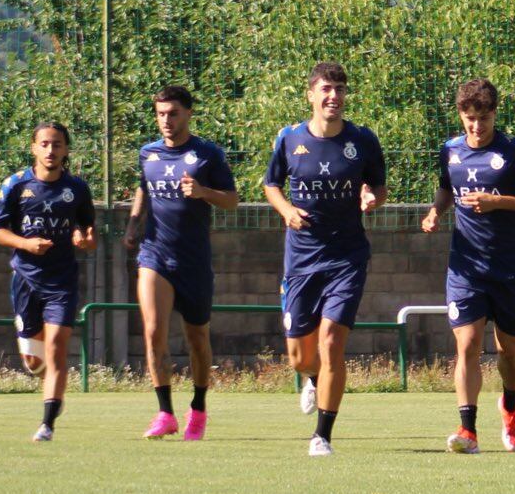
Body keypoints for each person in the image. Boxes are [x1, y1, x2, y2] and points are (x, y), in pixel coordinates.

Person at [422, 77, 515, 454]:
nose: (476, 126)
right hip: (465, 266)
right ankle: (468, 431)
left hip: (508, 266)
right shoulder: (449, 150)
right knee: (466, 345)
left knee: (509, 351)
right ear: (461, 115)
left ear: (495, 114)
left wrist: (500, 202)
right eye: (469, 117)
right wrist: (435, 211)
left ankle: (510, 407)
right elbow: (447, 188)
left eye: (483, 117)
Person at [262, 61, 388, 456]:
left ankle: (322, 435)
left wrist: (371, 198)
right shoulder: (289, 139)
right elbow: (271, 184)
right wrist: (286, 210)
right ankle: (311, 378)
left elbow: (378, 187)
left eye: (340, 89)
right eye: (326, 89)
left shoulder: (363, 140)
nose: (334, 96)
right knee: (300, 356)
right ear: (311, 95)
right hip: (301, 259)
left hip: (347, 257)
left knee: (332, 341)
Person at [123, 85, 237, 441]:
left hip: (193, 260)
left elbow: (232, 200)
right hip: (154, 253)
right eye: (160, 114)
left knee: (197, 338)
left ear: (188, 114)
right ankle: (164, 413)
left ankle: (199, 409)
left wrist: (204, 193)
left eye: (173, 113)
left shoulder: (208, 155)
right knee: (154, 330)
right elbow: (144, 187)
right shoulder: (148, 153)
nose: (166, 121)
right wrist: (132, 225)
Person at [0, 121, 96, 443]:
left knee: (56, 349)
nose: (51, 150)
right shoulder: (16, 185)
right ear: (34, 147)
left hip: (62, 281)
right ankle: (52, 386)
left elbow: (88, 231)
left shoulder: (77, 188)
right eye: (45, 144)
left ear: (66, 149)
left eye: (58, 145)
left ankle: (47, 422)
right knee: (34, 362)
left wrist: (85, 239)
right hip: (25, 279)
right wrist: (26, 244)